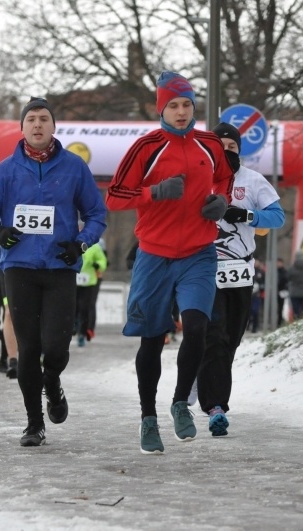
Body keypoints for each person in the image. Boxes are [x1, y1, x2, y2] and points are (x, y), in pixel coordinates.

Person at [105, 71, 234, 454]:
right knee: (153, 338)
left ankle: (180, 403)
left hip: (199, 253)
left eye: (186, 105)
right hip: (155, 255)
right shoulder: (146, 147)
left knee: (196, 327)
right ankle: (148, 418)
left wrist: (222, 201)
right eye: (173, 106)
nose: (181, 112)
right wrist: (155, 192)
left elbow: (225, 179)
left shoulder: (210, 145)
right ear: (161, 109)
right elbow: (115, 197)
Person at [0, 97, 107, 447]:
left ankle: (54, 383)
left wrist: (80, 243)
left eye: (43, 119)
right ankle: (34, 423)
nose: (37, 125)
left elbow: (97, 215)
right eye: (30, 119)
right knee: (28, 348)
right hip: (19, 268)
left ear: (53, 126)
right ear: (22, 127)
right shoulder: (7, 169)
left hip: (60, 267)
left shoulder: (74, 167)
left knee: (57, 348)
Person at [195, 122, 285, 437]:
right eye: (219, 147)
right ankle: (216, 407)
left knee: (231, 340)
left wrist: (246, 216)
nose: (226, 152)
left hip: (240, 270)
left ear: (239, 151)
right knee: (215, 336)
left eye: (231, 148)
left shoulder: (253, 181)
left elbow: (278, 216)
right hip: (205, 269)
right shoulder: (198, 178)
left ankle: (204, 376)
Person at [75, 242, 108, 347]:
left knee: (85, 307)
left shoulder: (95, 246)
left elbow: (103, 260)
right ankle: (73, 328)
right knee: (72, 305)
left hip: (89, 282)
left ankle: (82, 333)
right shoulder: (72, 241)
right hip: (73, 280)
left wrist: (98, 265)